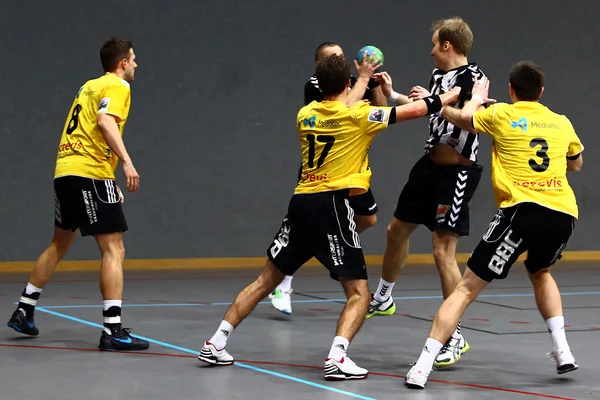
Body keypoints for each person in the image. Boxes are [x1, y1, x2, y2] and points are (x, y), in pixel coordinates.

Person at [198, 53, 461, 380]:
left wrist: (362, 78)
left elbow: (340, 104)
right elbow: (416, 110)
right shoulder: (359, 116)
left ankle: (216, 340)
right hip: (332, 207)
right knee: (359, 294)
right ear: (348, 85)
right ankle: (337, 357)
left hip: (301, 203)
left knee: (266, 279)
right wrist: (450, 96)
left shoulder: (305, 114)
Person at [405, 61, 583, 389]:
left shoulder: (503, 114)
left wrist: (470, 100)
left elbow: (460, 119)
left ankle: (422, 365)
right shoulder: (562, 122)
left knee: (465, 288)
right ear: (541, 92)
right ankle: (563, 350)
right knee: (541, 271)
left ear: (512, 91)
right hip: (563, 215)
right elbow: (576, 163)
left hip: (521, 212)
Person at [6, 37, 149, 352]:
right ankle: (112, 331)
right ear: (123, 62)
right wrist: (126, 163)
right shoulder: (118, 87)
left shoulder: (88, 87)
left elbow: (87, 128)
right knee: (114, 250)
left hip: (66, 171)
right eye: (134, 59)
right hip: (89, 173)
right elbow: (105, 123)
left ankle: (24, 309)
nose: (137, 64)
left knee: (60, 243)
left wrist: (107, 179)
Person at [367, 17, 486, 368]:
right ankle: (384, 298)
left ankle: (454, 334)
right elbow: (432, 111)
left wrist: (435, 102)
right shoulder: (439, 77)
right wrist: (395, 96)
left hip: (457, 172)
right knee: (395, 230)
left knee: (442, 251)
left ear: (448, 46)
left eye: (435, 44)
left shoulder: (473, 80)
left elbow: (466, 119)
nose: (431, 50)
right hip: (429, 166)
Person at [269, 42, 387, 315]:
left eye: (342, 57)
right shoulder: (315, 85)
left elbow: (381, 111)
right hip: (321, 174)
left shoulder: (355, 82)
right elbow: (342, 108)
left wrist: (377, 86)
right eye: (333, 58)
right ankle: (284, 279)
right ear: (319, 66)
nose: (340, 60)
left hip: (350, 170)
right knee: (306, 231)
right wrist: (362, 87)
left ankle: (321, 247)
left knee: (368, 219)